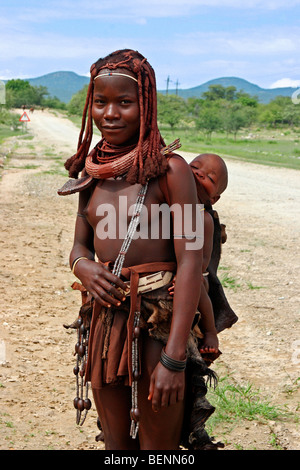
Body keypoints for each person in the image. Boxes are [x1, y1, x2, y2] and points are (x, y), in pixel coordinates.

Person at [59, 49, 215, 450]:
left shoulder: (172, 171)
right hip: (105, 322)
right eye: (100, 102)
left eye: (124, 102)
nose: (110, 113)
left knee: (158, 448)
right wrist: (83, 267)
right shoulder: (90, 172)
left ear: (146, 105)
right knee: (115, 445)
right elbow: (79, 244)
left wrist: (175, 358)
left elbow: (191, 259)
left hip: (159, 325)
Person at [168, 153, 228, 356]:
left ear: (214, 198)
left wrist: (182, 276)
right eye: (194, 167)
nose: (199, 175)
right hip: (168, 269)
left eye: (210, 178)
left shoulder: (204, 219)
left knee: (198, 285)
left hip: (194, 273)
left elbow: (201, 263)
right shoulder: (168, 207)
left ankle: (210, 331)